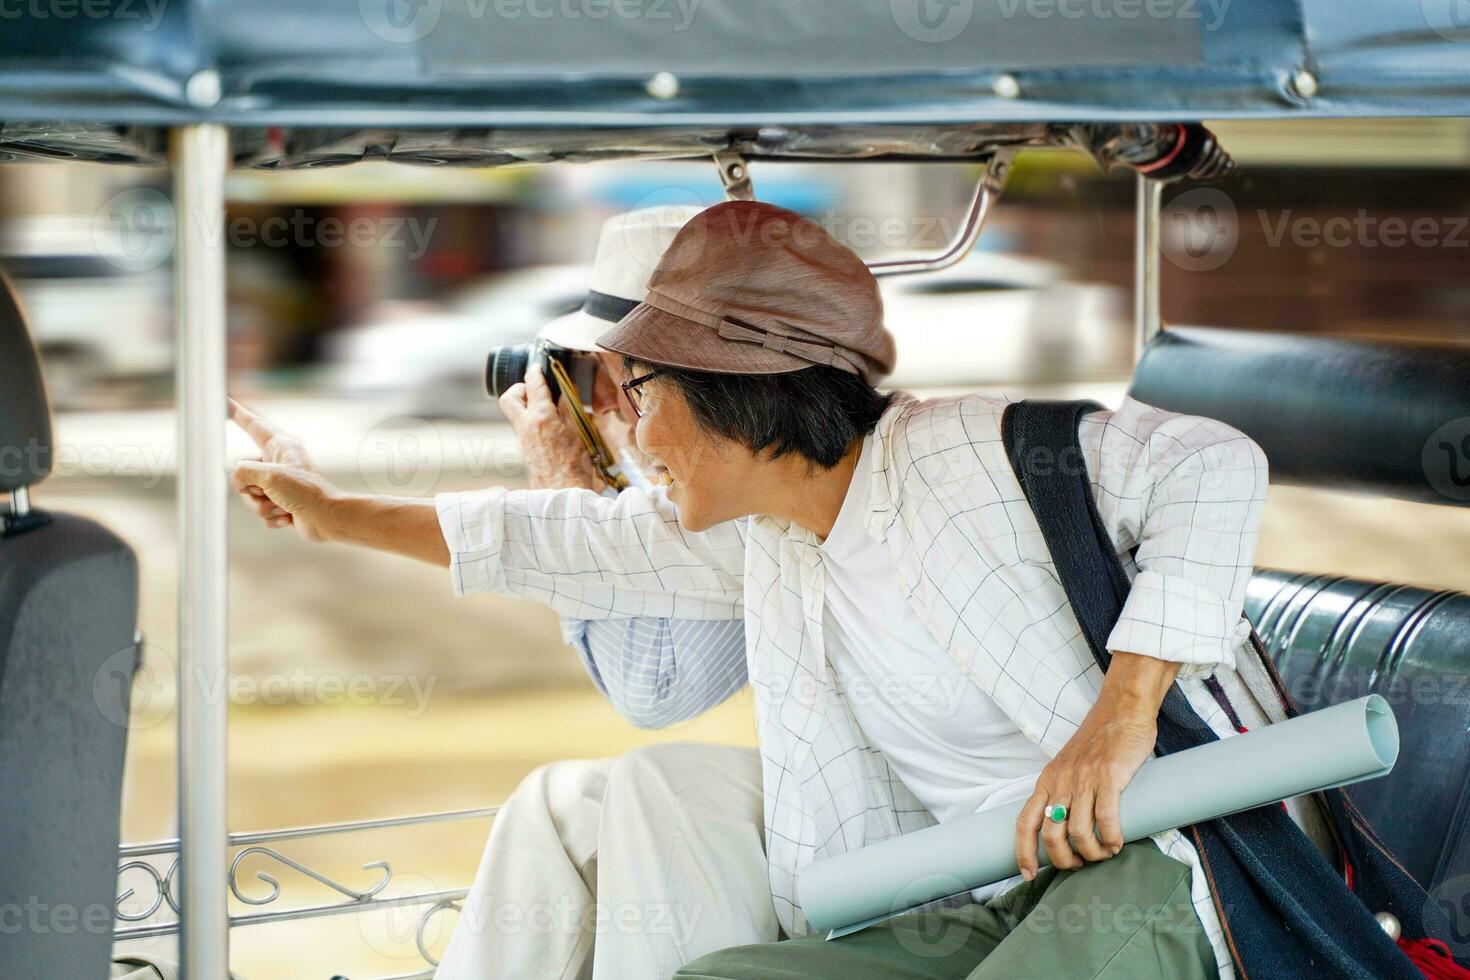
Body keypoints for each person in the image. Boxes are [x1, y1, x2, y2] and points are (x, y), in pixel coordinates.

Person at [232, 200, 1274, 979]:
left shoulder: (970, 450)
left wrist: (1120, 713)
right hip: (972, 883)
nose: (628, 433)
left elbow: (1215, 462)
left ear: (732, 385)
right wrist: (330, 509)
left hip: (1152, 857)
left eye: (635, 393)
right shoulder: (768, 527)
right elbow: (554, 538)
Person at [233, 205, 767, 980]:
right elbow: (599, 560)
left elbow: (651, 688)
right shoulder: (711, 478)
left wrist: (565, 482)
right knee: (559, 804)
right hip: (813, 795)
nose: (608, 405)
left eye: (613, 374)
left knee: (660, 785)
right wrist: (597, 485)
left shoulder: (748, 481)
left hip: (876, 827)